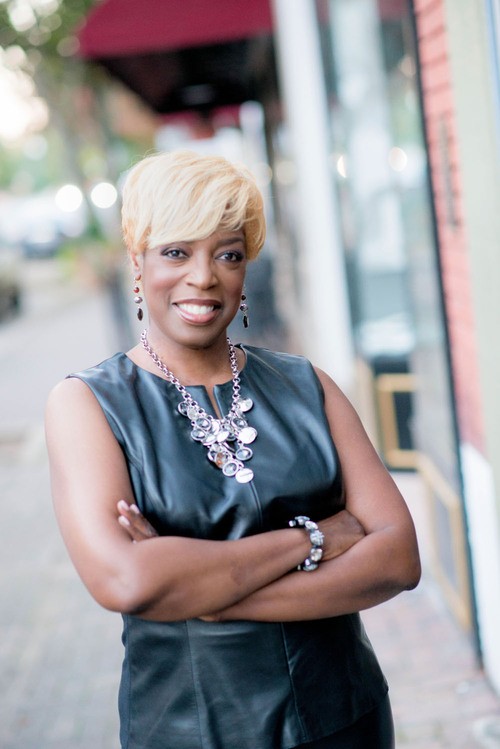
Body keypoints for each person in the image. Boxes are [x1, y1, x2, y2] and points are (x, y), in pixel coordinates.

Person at [45, 149, 421, 749]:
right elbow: (124, 580)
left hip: (345, 719)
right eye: (176, 252)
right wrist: (314, 538)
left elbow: (398, 558)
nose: (203, 277)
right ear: (137, 260)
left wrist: (209, 596)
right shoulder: (87, 404)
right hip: (191, 729)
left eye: (228, 254)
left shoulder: (307, 385)